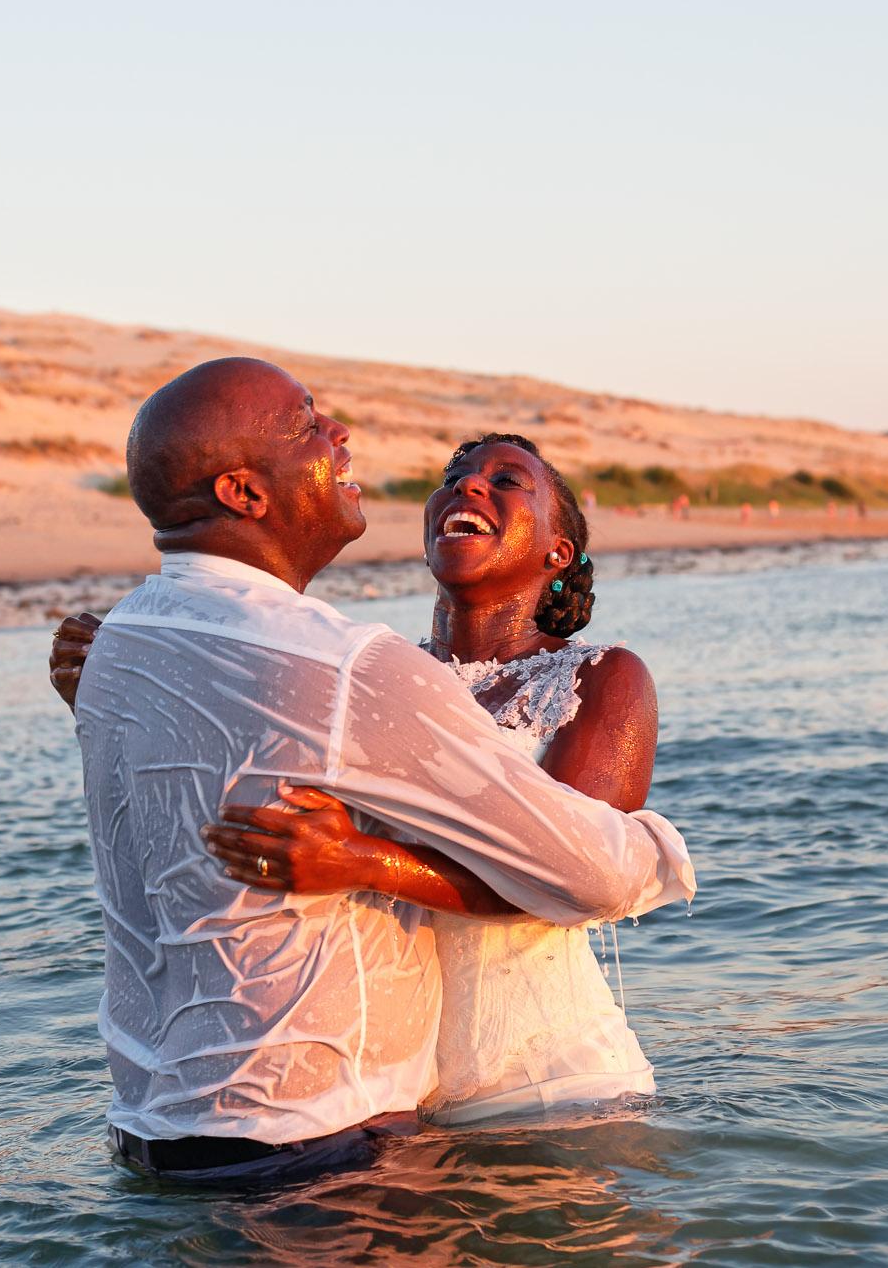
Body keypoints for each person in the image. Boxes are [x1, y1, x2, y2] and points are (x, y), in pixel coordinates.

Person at [51, 358, 695, 1185]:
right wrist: (121, 692)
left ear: (558, 550)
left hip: (540, 1077)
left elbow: (565, 880)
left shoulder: (597, 676)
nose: (470, 488)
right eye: (457, 475)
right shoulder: (363, 673)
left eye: (508, 481)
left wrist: (366, 862)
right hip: (407, 1100)